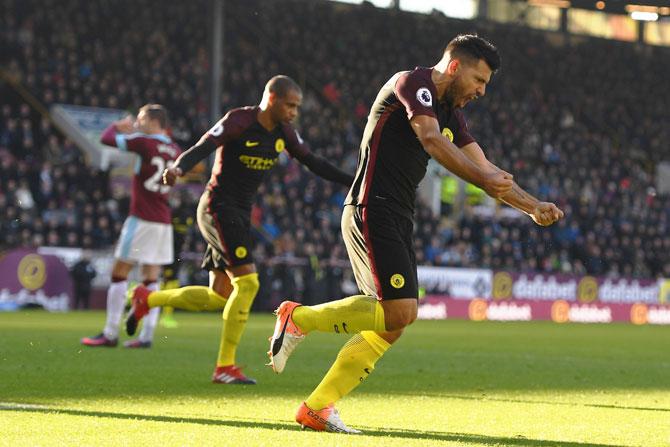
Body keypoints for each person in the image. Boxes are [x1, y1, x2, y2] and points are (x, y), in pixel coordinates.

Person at [268, 34, 565, 433]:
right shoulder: (411, 83)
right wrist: (484, 178)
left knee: (393, 323)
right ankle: (297, 317)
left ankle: (317, 407)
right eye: (479, 80)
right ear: (455, 66)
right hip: (371, 208)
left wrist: (532, 206)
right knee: (400, 311)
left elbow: (486, 168)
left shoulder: (451, 112)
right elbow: (429, 139)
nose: (481, 91)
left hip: (396, 214)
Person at [125, 75, 353, 384]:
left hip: (239, 214)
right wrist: (179, 167)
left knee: (219, 295)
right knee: (248, 284)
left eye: (297, 107)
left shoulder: (284, 132)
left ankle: (146, 299)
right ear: (272, 99)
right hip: (217, 207)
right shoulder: (240, 121)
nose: (294, 113)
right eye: (290, 105)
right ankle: (225, 366)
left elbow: (313, 162)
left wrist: (353, 181)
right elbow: (204, 145)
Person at [81, 104, 181, 349]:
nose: (137, 122)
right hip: (163, 221)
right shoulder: (175, 149)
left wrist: (118, 126)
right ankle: (146, 336)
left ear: (152, 119)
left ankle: (110, 332)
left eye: (140, 118)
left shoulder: (144, 142)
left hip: (141, 219)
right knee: (151, 280)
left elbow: (106, 139)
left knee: (119, 274)